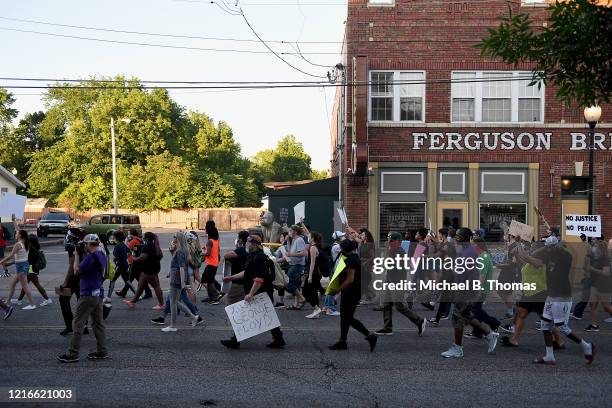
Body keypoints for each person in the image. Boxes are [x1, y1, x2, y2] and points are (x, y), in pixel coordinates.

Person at [516, 235, 595, 365]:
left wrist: (554, 244)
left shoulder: (565, 257)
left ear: (558, 246)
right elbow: (528, 257)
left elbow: (557, 252)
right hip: (551, 296)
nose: (549, 250)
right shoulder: (547, 257)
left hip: (562, 296)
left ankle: (587, 346)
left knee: (562, 327)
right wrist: (520, 244)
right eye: (548, 247)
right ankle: (549, 356)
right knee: (545, 326)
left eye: (552, 247)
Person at [441, 228, 499, 358]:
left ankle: (457, 348)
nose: (455, 238)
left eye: (457, 236)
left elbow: (472, 273)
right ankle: (490, 334)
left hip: (466, 291)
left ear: (462, 238)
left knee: (457, 318)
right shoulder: (466, 250)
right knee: (466, 315)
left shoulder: (468, 252)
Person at [221, 234, 286, 349]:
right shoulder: (253, 256)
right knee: (267, 316)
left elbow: (259, 279)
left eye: (248, 242)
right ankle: (278, 339)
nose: (246, 244)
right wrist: (231, 278)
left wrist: (251, 294)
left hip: (259, 292)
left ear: (254, 244)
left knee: (245, 315)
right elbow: (247, 272)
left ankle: (235, 341)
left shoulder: (259, 257)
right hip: (260, 292)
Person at [57, 234, 108, 363]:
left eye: (84, 244)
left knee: (77, 324)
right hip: (98, 293)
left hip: (88, 295)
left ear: (88, 244)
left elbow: (76, 271)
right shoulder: (101, 254)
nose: (83, 246)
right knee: (98, 324)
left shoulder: (90, 257)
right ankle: (102, 351)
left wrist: (77, 255)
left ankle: (72, 354)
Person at [327, 239, 378, 351]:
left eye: (342, 249)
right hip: (352, 292)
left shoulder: (351, 260)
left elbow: (350, 279)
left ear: (345, 250)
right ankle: (342, 341)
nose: (341, 251)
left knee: (348, 317)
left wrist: (337, 291)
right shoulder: (353, 258)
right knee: (345, 317)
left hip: (352, 292)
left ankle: (370, 335)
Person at [375, 232, 426, 336]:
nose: (389, 242)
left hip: (397, 282)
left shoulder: (399, 252)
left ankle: (419, 320)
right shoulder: (393, 250)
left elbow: (386, 263)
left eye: (392, 240)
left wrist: (386, 251)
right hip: (390, 281)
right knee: (386, 304)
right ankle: (387, 328)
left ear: (399, 241)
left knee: (399, 306)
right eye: (389, 240)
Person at [162, 232, 199, 332]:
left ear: (178, 239)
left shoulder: (180, 252)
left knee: (173, 302)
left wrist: (182, 283)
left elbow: (181, 268)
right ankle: (193, 316)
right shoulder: (184, 250)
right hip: (177, 278)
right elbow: (185, 263)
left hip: (176, 279)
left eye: (174, 237)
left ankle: (173, 325)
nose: (173, 239)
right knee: (175, 301)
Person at [124, 232, 164, 309]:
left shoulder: (147, 246)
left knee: (156, 286)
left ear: (147, 238)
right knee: (140, 286)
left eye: (144, 237)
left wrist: (134, 259)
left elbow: (142, 257)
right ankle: (132, 302)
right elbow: (160, 256)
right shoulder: (154, 245)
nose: (143, 238)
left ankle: (161, 304)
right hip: (152, 268)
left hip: (149, 270)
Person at [0, 225, 36, 310]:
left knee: (25, 286)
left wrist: (1, 262)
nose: (15, 234)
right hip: (23, 265)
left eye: (16, 234)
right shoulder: (25, 242)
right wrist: (14, 221)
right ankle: (8, 302)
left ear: (20, 236)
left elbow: (10, 256)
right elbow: (18, 229)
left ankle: (32, 304)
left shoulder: (18, 244)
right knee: (12, 284)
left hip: (21, 266)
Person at [584, 236, 612, 332]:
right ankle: (594, 325)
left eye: (594, 240)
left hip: (604, 284)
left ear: (600, 244)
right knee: (592, 305)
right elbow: (587, 255)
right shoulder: (594, 255)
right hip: (595, 283)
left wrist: (592, 269)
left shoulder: (605, 257)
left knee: (606, 307)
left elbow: (606, 272)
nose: (592, 241)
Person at [16, 234, 52, 306]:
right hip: (31, 268)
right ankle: (19, 300)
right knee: (25, 284)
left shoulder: (31, 249)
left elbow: (29, 260)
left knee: (36, 284)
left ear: (31, 242)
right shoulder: (34, 247)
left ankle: (47, 299)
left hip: (31, 269)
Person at [303, 231, 325, 319]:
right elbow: (307, 233)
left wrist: (310, 276)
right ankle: (316, 312)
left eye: (309, 236)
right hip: (317, 273)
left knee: (305, 292)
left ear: (313, 238)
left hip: (313, 273)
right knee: (314, 291)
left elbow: (312, 263)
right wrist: (302, 223)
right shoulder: (318, 246)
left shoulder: (312, 248)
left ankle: (316, 308)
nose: (308, 237)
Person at [285, 225, 307, 310]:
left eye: (291, 230)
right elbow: (290, 251)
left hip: (297, 265)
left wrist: (291, 254)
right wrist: (288, 241)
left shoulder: (299, 240)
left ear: (295, 231)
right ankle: (296, 304)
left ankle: (302, 298)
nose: (289, 232)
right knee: (296, 284)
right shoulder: (294, 240)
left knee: (289, 282)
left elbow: (303, 253)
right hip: (294, 264)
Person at [106, 230, 132, 302]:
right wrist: (125, 258)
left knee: (113, 280)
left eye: (114, 237)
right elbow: (130, 252)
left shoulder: (117, 246)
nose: (113, 238)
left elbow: (115, 256)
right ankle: (137, 295)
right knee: (127, 280)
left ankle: (108, 297)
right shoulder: (123, 244)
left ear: (116, 238)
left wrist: (117, 260)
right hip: (125, 265)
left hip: (119, 265)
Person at [202, 225, 224, 304]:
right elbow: (215, 250)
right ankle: (212, 297)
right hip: (215, 263)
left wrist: (201, 254)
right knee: (208, 280)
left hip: (210, 264)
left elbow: (208, 253)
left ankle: (216, 295)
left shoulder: (209, 241)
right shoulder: (215, 240)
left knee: (209, 281)